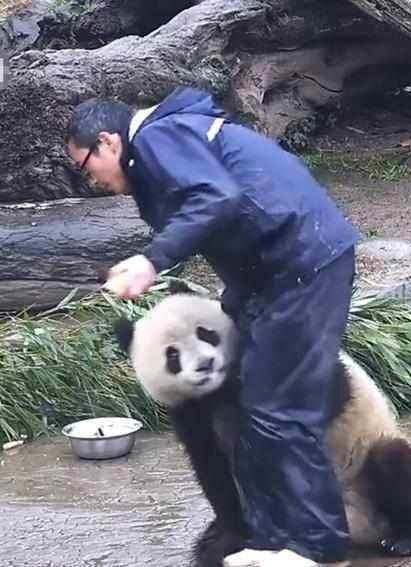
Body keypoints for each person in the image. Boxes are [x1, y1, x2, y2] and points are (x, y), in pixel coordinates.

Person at [66, 86, 359, 567]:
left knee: (280, 410)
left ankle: (318, 548)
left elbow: (217, 198)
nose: (89, 180)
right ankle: (266, 539)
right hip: (277, 274)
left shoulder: (158, 137)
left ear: (108, 142)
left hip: (302, 268)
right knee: (252, 409)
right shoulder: (168, 139)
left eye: (84, 166)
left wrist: (150, 261)